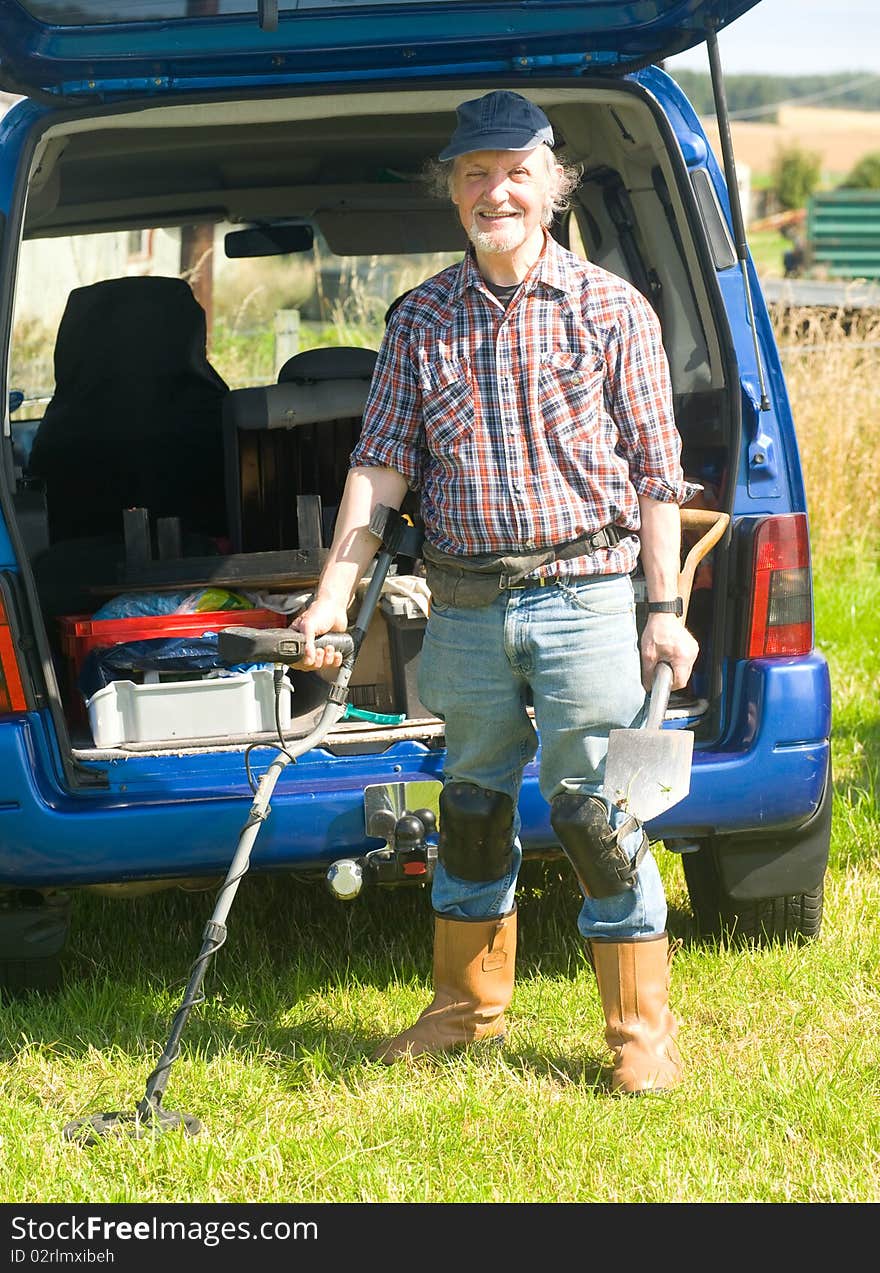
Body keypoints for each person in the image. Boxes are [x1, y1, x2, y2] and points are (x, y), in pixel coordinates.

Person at [291, 90, 699, 1094]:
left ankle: (638, 1037)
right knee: (470, 807)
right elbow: (377, 469)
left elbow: (657, 473)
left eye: (515, 172)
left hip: (587, 601)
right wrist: (331, 597)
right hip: (465, 610)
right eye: (474, 174)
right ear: (453, 192)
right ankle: (464, 1011)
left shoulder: (612, 310)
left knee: (599, 817)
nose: (494, 191)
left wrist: (663, 611)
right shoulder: (420, 317)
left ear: (553, 186)